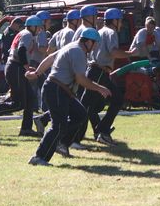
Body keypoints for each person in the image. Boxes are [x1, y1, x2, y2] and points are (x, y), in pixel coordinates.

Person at [26, 28, 111, 166]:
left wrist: (36, 73)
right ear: (88, 41)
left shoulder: (70, 46)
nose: (95, 47)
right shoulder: (78, 51)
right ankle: (39, 157)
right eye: (95, 43)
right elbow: (81, 79)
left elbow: (49, 59)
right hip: (57, 89)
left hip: (61, 89)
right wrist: (100, 88)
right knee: (58, 125)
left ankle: (62, 143)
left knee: (80, 115)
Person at [71, 8, 136, 147]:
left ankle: (102, 130)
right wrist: (130, 53)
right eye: (120, 20)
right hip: (99, 72)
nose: (121, 24)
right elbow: (113, 52)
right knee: (87, 107)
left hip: (97, 71)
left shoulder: (99, 31)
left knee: (114, 100)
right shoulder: (111, 32)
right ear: (115, 20)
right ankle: (74, 138)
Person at [0, 16, 43, 136]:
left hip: (15, 67)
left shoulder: (22, 33)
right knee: (19, 103)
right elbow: (21, 50)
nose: (39, 30)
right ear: (32, 26)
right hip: (16, 68)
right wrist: (26, 66)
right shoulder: (27, 35)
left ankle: (26, 129)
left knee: (30, 98)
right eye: (38, 27)